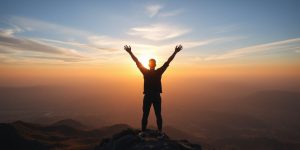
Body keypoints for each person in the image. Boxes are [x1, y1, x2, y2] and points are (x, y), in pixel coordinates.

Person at [124, 45, 183, 137]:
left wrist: (130, 52)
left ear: (148, 65)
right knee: (158, 114)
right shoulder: (159, 72)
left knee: (145, 114)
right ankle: (160, 132)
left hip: (147, 96)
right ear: (155, 65)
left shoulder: (145, 72)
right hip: (156, 96)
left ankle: (143, 132)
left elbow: (137, 62)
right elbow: (168, 62)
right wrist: (175, 52)